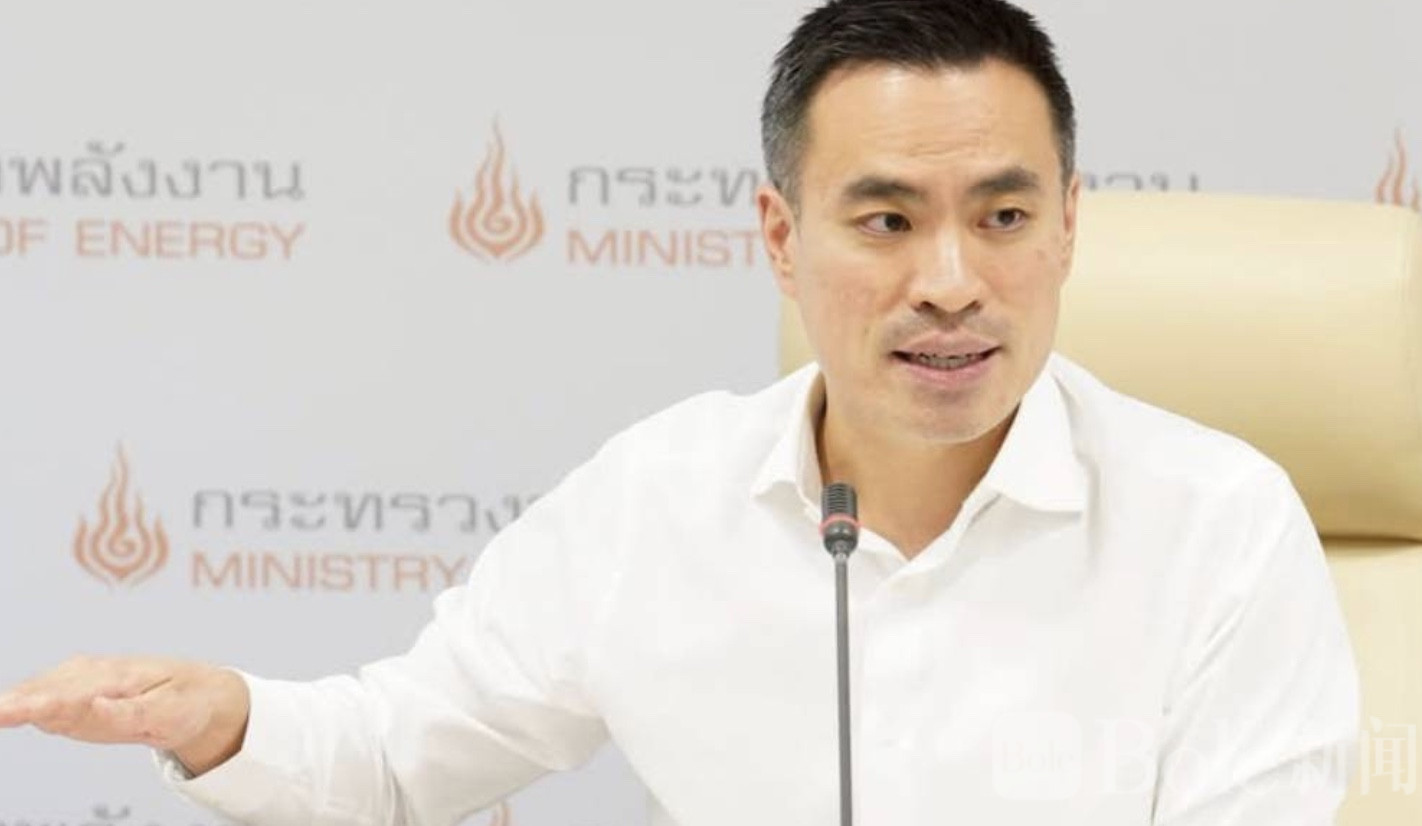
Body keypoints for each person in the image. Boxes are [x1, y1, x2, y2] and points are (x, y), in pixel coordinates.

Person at [0, 0, 1360, 823]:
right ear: (779, 237)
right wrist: (218, 717)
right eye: (885, 219)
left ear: (1068, 227)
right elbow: (399, 760)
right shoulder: (659, 497)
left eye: (1003, 216)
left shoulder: (1217, 527)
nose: (950, 281)